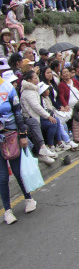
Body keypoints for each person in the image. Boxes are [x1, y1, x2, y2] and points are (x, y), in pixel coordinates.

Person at [0, 63, 35, 224]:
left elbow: (17, 112)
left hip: (12, 136)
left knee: (17, 171)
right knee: (2, 178)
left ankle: (28, 198)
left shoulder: (8, 88)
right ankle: (7, 210)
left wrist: (22, 135)